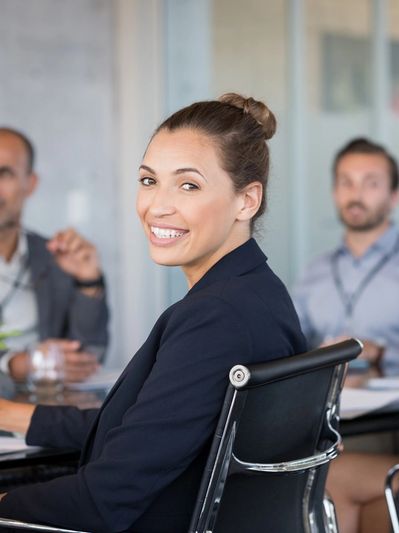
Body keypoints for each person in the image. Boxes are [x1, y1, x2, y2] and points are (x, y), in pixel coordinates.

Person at [0, 94, 305, 532]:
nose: (157, 206)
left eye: (188, 185)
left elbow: (104, 499)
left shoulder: (217, 318)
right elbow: (142, 428)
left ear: (246, 201)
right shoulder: (253, 293)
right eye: (148, 181)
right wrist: (12, 414)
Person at [0, 127, 109, 386]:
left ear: (30, 183)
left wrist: (88, 283)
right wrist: (16, 364)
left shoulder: (55, 257)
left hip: (43, 412)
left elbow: (90, 355)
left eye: (5, 173)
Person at [293, 137, 399, 364]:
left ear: (394, 196)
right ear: (334, 192)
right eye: (346, 182)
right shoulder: (314, 271)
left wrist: (380, 354)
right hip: (324, 397)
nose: (356, 195)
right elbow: (292, 346)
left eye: (371, 184)